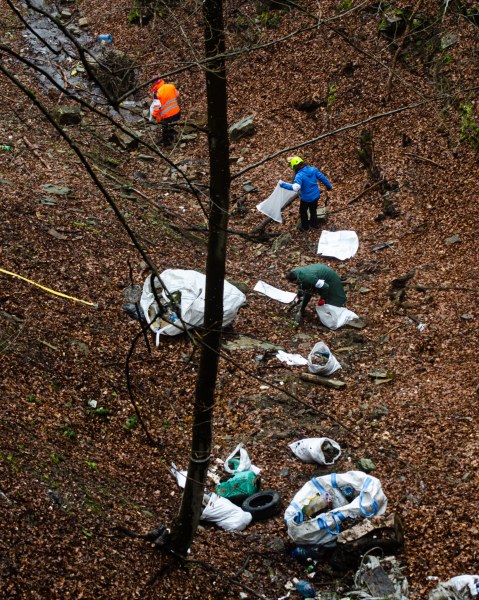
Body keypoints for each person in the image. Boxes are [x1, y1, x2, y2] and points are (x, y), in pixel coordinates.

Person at [279, 156, 332, 231]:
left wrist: (283, 184)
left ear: (295, 167)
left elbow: (296, 187)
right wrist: (329, 186)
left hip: (306, 199)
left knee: (303, 212)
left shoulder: (299, 175)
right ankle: (314, 225)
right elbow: (322, 177)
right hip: (315, 196)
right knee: (313, 210)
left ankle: (305, 227)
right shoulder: (313, 170)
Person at [149, 78, 181, 146]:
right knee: (172, 126)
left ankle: (167, 144)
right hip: (176, 112)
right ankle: (174, 137)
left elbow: (157, 107)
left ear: (155, 84)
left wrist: (154, 115)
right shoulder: (170, 86)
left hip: (167, 115)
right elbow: (177, 94)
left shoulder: (156, 93)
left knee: (165, 130)